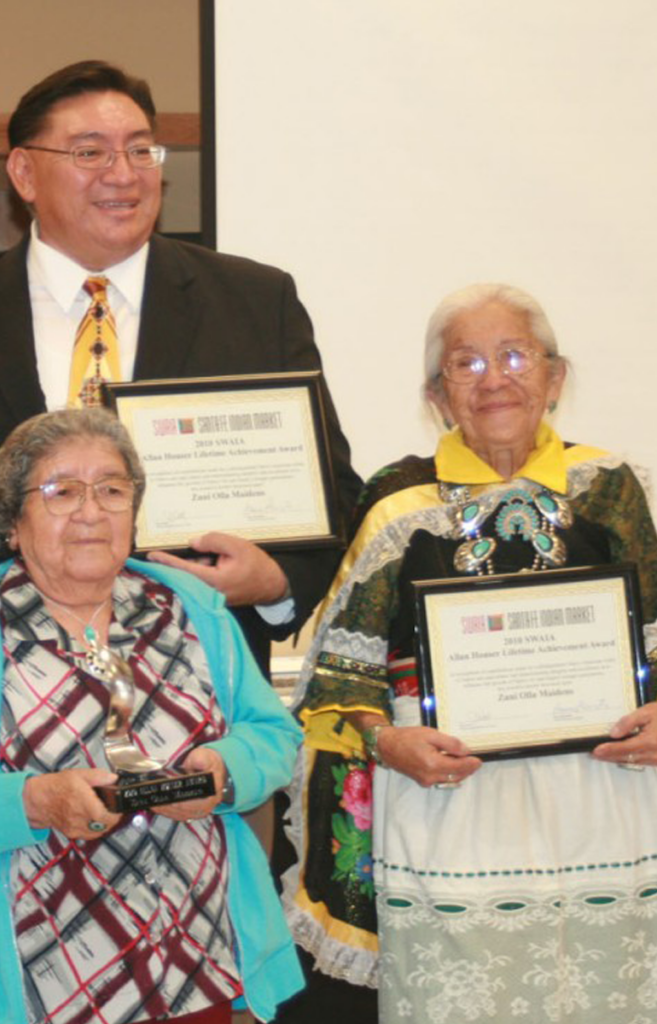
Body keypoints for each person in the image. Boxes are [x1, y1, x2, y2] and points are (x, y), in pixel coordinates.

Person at [0, 59, 362, 674]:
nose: (123, 175)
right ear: (24, 172)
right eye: (90, 153)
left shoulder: (254, 302)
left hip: (197, 684)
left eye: (141, 151)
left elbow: (332, 492)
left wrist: (277, 582)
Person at [279, 282, 657, 1023]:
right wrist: (387, 739)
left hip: (604, 799)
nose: (495, 378)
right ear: (437, 396)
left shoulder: (611, 489)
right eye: (466, 363)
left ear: (555, 378)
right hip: (448, 803)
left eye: (516, 355)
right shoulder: (399, 503)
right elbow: (336, 675)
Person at [0, 407, 304, 1024]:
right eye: (62, 491)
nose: (91, 511)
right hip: (33, 980)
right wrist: (35, 801)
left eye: (111, 489)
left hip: (190, 962)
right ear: (12, 522)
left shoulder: (190, 608)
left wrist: (224, 771)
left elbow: (273, 734)